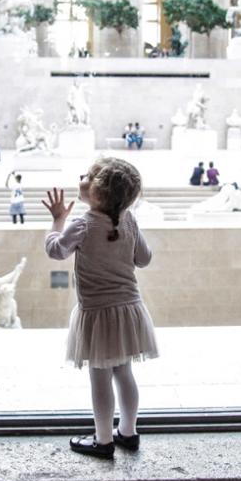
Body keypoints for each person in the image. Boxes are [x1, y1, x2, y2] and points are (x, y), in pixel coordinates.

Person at [42, 157, 158, 460]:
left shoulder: (82, 224)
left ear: (100, 192)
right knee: (124, 373)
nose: (83, 177)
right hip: (129, 309)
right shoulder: (129, 219)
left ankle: (103, 440)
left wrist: (57, 220)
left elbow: (56, 250)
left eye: (89, 176)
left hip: (96, 314)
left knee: (99, 376)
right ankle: (129, 433)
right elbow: (144, 259)